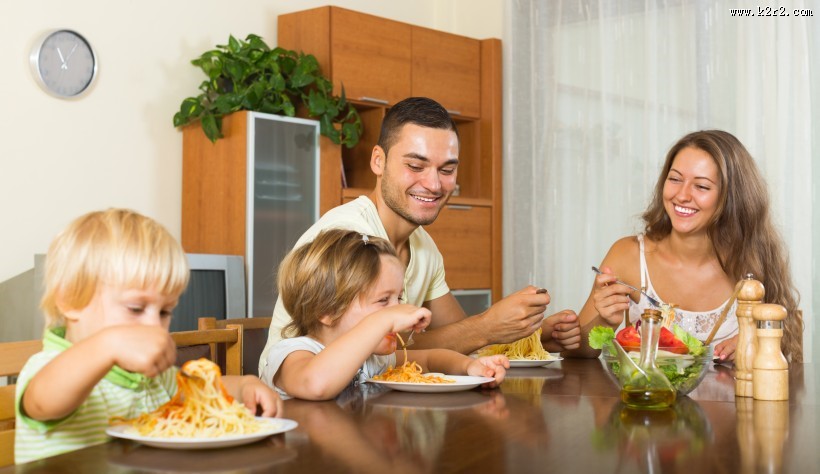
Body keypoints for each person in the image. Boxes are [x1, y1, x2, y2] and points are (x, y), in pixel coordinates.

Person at [260, 97, 580, 375]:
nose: (435, 184)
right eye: (416, 165)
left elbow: (459, 334)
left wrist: (527, 335)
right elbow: (369, 350)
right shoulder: (348, 240)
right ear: (378, 161)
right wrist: (486, 328)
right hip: (304, 411)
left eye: (446, 170)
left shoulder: (424, 246)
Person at [14, 209, 282, 464]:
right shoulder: (48, 368)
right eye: (135, 308)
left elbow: (203, 389)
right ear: (70, 300)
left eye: (165, 311)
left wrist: (245, 386)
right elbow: (43, 401)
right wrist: (108, 345)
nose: (155, 325)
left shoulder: (150, 378)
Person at [569, 130, 802, 362]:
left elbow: (786, 340)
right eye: (675, 179)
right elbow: (574, 351)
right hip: (647, 398)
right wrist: (602, 320)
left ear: (732, 197)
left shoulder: (753, 260)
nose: (681, 195)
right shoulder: (628, 255)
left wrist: (757, 341)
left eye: (701, 186)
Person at [261, 228, 509, 400]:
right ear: (327, 310)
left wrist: (470, 367)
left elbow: (433, 359)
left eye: (399, 298)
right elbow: (316, 385)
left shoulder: (372, 358)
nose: (397, 310)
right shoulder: (292, 354)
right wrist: (383, 321)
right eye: (382, 301)